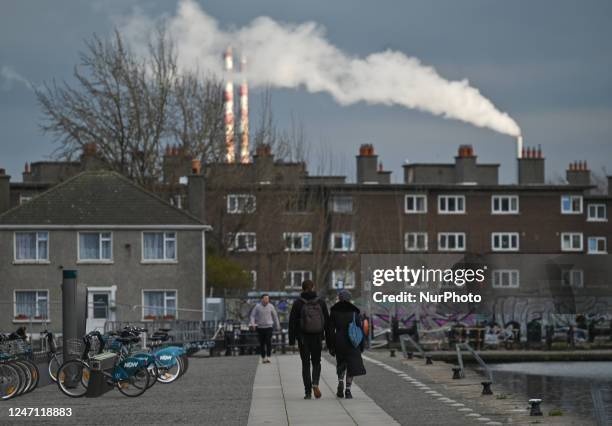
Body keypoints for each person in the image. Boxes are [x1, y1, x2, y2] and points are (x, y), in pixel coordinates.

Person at [288, 280, 330, 400]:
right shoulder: (321, 302)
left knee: (305, 364)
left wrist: (291, 340)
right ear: (313, 287)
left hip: (303, 338)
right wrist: (328, 339)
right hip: (317, 336)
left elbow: (291, 322)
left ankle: (307, 392)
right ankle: (315, 383)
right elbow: (326, 322)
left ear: (302, 289)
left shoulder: (297, 303)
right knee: (316, 362)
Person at [328, 290, 366, 399]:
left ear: (339, 298)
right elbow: (360, 329)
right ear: (349, 299)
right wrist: (362, 345)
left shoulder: (334, 311)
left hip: (339, 341)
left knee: (341, 363)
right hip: (352, 342)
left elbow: (330, 330)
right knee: (351, 366)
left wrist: (331, 345)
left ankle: (340, 382)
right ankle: (348, 391)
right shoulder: (354, 312)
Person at [249, 294, 280, 364]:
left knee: (268, 341)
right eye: (265, 299)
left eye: (268, 299)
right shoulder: (257, 306)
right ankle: (263, 357)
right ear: (262, 299)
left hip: (269, 327)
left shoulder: (271, 306)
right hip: (260, 327)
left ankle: (268, 356)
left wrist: (278, 325)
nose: (267, 300)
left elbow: (275, 316)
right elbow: (252, 316)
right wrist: (253, 324)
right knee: (262, 343)